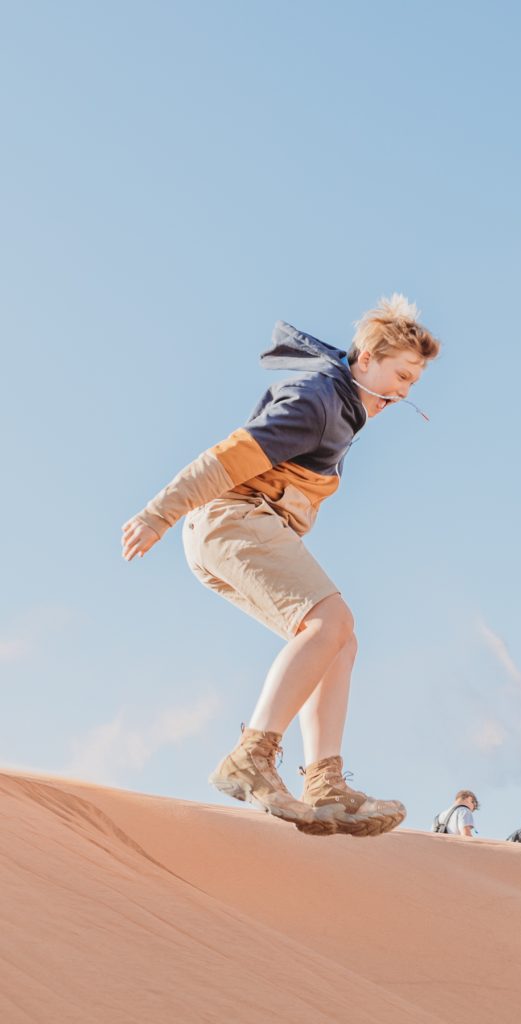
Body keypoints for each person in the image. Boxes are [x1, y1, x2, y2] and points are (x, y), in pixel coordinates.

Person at [121, 295, 440, 838]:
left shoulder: (342, 402)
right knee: (329, 623)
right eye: (400, 375)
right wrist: (158, 515)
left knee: (341, 638)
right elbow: (226, 457)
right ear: (366, 357)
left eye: (412, 384)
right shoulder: (316, 400)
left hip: (245, 527)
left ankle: (325, 782)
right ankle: (252, 756)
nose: (403, 393)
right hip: (230, 519)